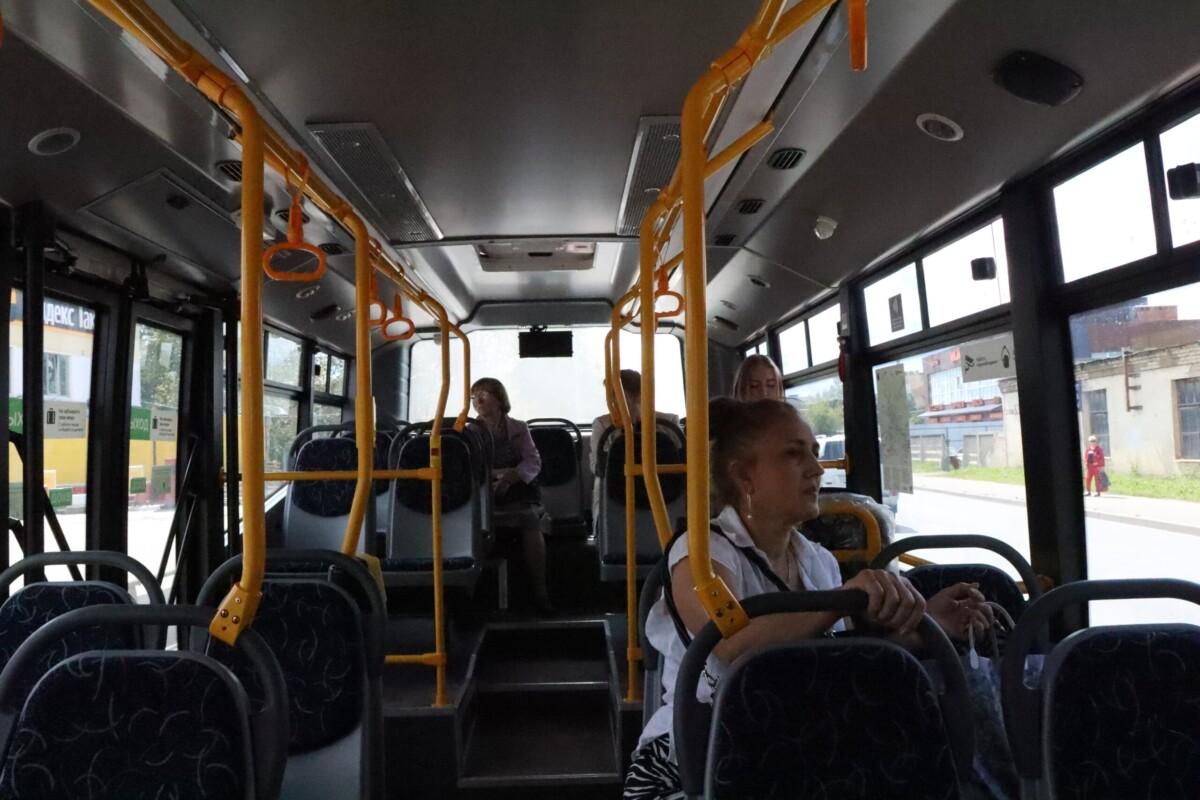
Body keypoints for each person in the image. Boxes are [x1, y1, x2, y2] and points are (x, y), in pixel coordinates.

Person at [624, 398, 993, 799]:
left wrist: (929, 624)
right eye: (793, 454)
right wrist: (839, 600)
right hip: (698, 753)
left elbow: (830, 661)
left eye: (814, 454)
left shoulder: (817, 561)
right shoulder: (700, 555)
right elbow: (732, 643)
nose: (816, 469)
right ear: (744, 475)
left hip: (799, 738)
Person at [471, 377, 553, 613]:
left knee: (530, 520)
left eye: (484, 394)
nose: (478, 400)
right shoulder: (470, 431)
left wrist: (511, 477)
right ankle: (475, 594)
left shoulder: (518, 428)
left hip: (518, 493)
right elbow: (471, 467)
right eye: (474, 396)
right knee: (472, 525)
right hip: (483, 494)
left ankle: (540, 590)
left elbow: (532, 461)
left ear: (499, 398)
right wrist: (498, 476)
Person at [590, 369, 680, 529]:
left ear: (639, 395)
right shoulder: (603, 425)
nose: (613, 402)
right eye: (611, 396)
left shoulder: (669, 422)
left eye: (617, 396)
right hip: (618, 489)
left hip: (664, 488)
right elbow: (598, 467)